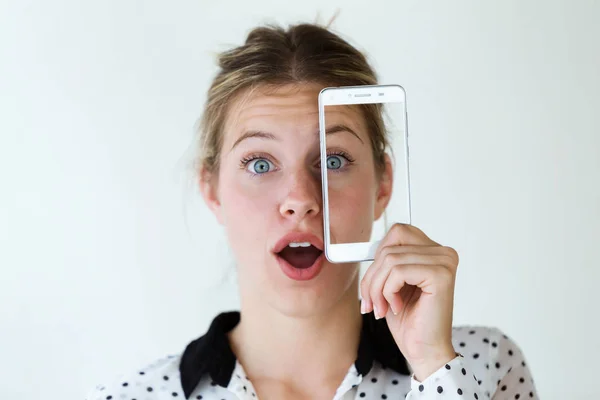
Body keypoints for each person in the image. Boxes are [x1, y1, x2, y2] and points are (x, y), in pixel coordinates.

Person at [86, 22, 538, 400]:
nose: (300, 198)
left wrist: (434, 366)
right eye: (260, 164)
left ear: (383, 183)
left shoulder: (483, 366)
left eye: (333, 160)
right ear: (212, 189)